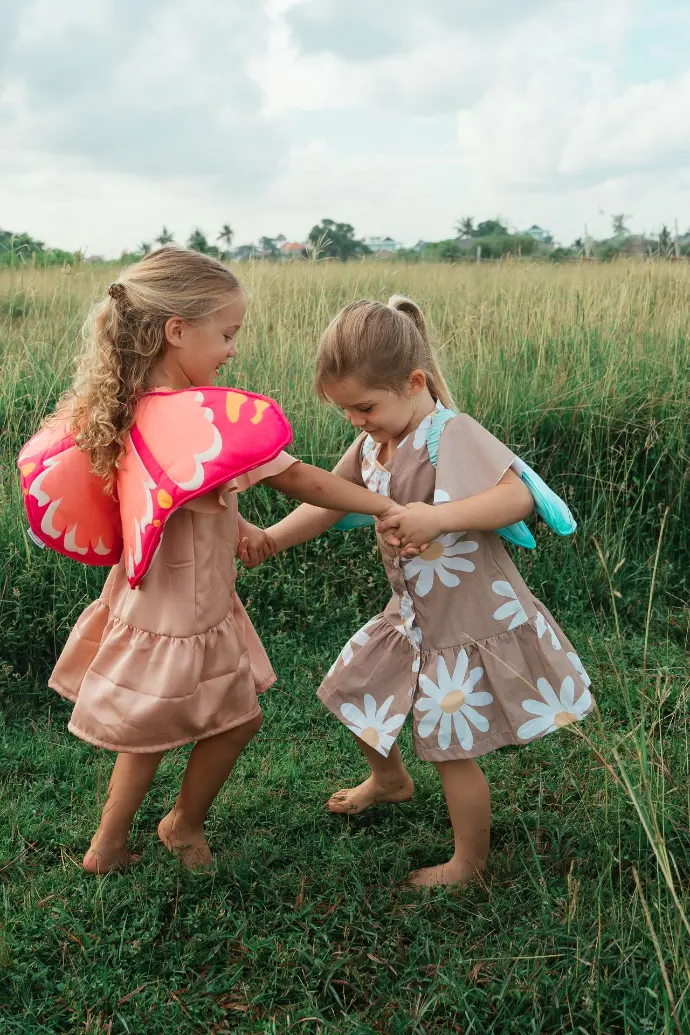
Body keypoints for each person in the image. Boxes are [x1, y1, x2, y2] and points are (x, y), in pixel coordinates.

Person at [45, 248, 401, 873]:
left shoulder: (127, 405)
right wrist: (382, 504)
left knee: (146, 730)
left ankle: (107, 844)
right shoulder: (203, 419)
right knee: (237, 723)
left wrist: (239, 525)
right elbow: (303, 482)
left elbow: (176, 491)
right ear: (177, 331)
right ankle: (183, 825)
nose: (232, 349)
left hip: (146, 596)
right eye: (226, 333)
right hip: (190, 607)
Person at [245, 295, 594, 887]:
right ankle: (389, 781)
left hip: (468, 617)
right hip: (411, 613)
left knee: (452, 746)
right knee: (353, 688)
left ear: (413, 382)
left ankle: (469, 863)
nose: (356, 420)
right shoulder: (372, 444)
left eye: (364, 407)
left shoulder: (449, 432)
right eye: (345, 411)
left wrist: (439, 517)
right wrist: (272, 540)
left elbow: (519, 497)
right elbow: (330, 498)